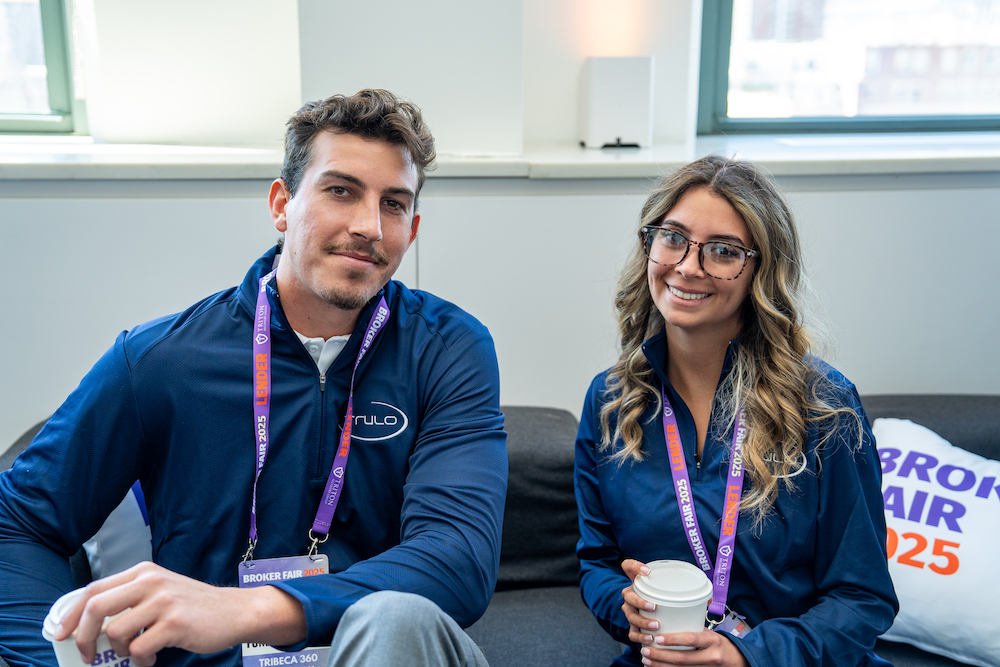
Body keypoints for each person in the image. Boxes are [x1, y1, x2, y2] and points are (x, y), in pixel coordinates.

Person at [0, 89, 505, 667]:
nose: (369, 226)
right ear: (281, 205)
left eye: (393, 204)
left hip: (381, 652)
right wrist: (64, 659)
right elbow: (18, 525)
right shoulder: (161, 360)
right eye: (341, 191)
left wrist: (244, 611)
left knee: (394, 618)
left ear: (411, 230)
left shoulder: (447, 349)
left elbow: (456, 558)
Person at [574, 155, 897, 667]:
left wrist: (746, 656)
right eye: (673, 238)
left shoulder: (825, 406)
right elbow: (597, 561)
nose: (688, 267)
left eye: (723, 251)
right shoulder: (611, 399)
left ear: (761, 273)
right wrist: (623, 604)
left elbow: (862, 598)